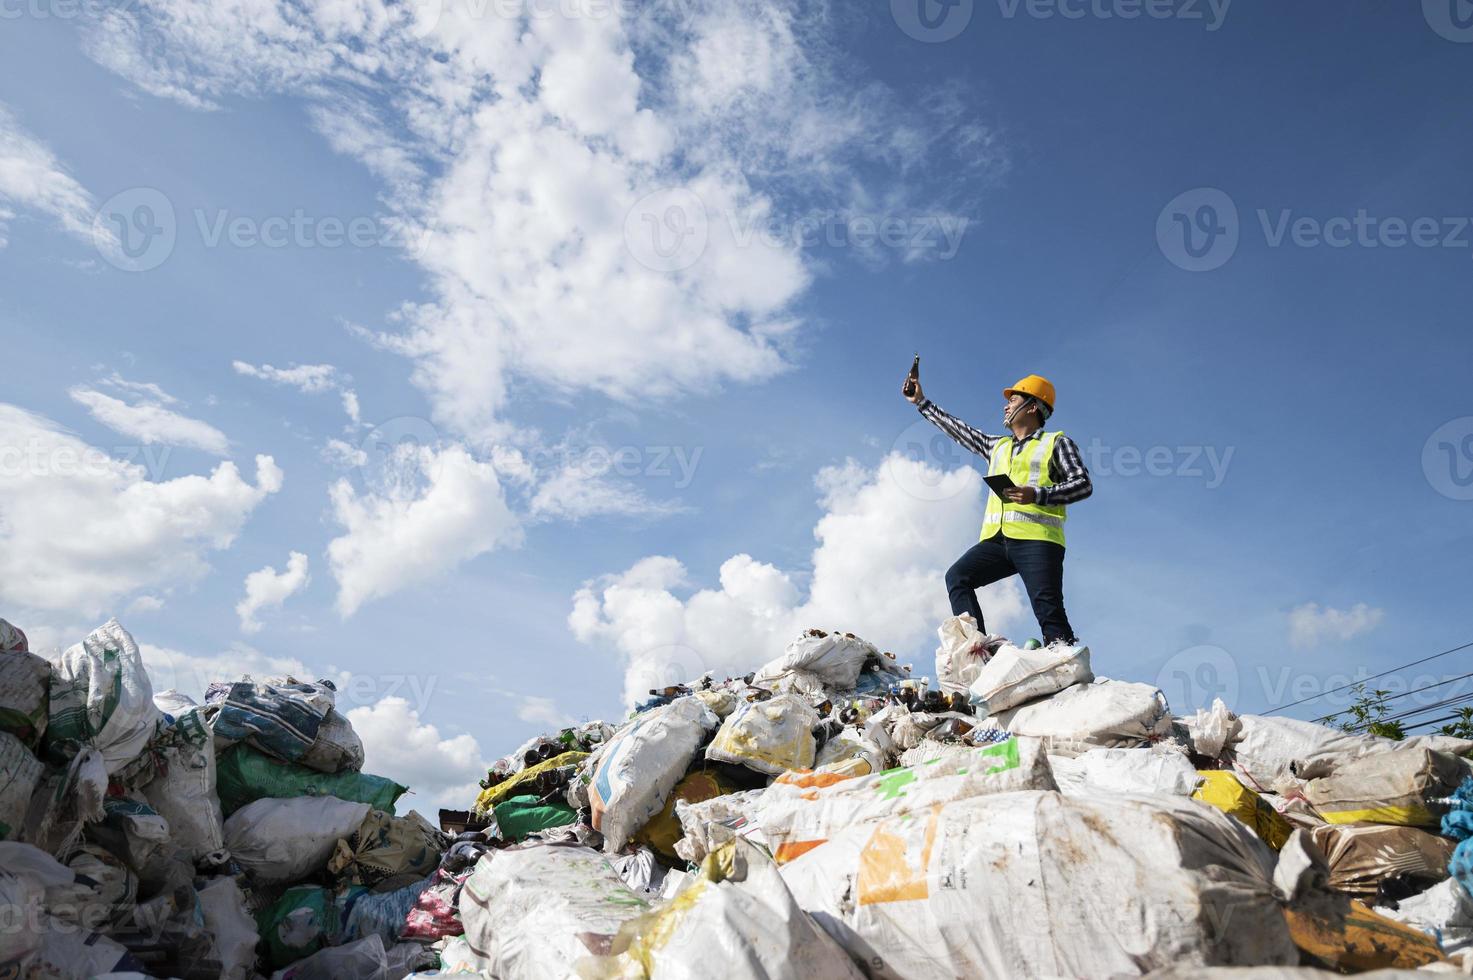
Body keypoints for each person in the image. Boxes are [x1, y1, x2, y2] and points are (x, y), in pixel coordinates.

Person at [903, 369, 1092, 646]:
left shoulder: (1056, 443)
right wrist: (921, 402)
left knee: (1049, 614)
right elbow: (960, 431)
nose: (1006, 405)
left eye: (1013, 400)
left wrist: (1036, 494)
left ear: (1032, 406)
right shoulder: (998, 447)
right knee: (958, 577)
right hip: (997, 541)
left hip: (1038, 541)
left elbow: (1083, 484)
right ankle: (978, 650)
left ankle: (1064, 665)